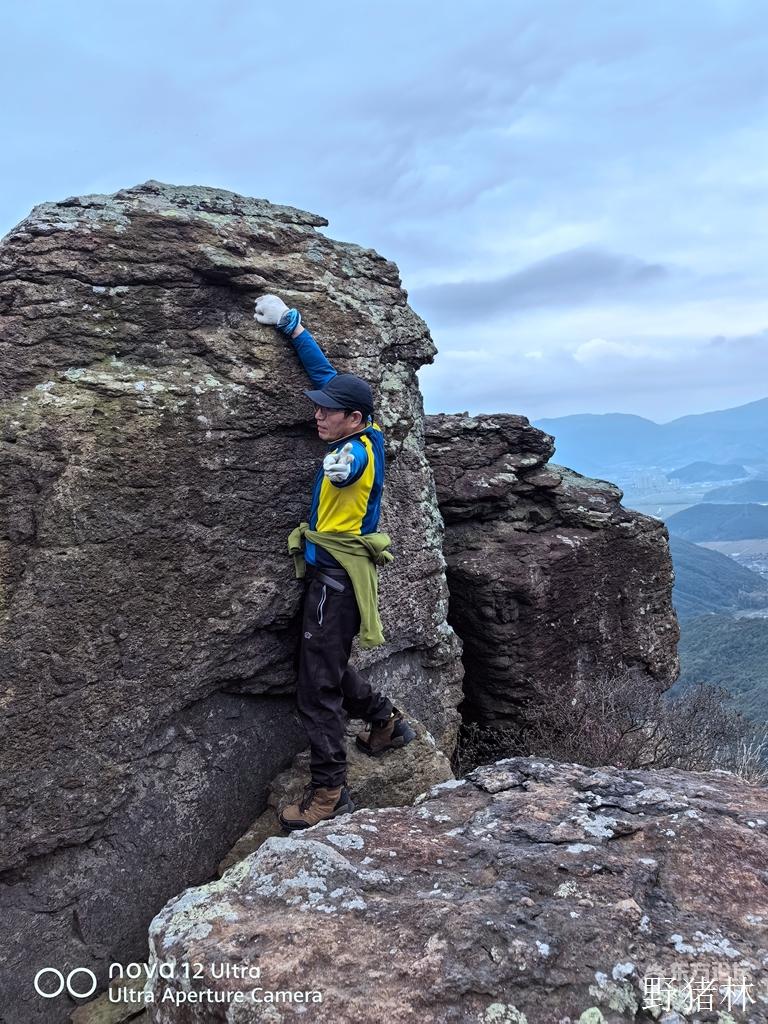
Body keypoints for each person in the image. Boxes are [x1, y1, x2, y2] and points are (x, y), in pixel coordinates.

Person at [253, 294, 416, 831]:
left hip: (335, 581)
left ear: (355, 419)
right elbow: (326, 375)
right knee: (326, 662)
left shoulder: (357, 453)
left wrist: (341, 466)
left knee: (315, 688)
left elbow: (349, 468)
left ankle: (329, 792)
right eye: (318, 408)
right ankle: (385, 721)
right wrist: (292, 326)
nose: (317, 415)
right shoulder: (364, 428)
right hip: (336, 577)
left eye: (327, 411)